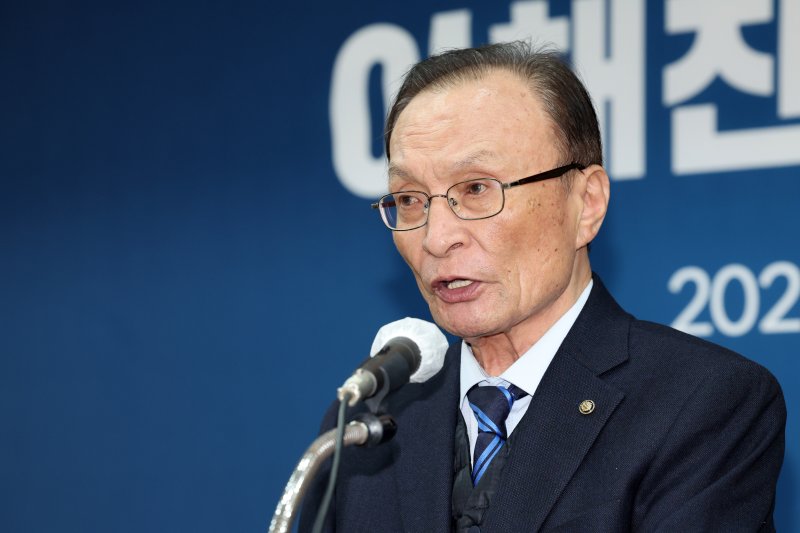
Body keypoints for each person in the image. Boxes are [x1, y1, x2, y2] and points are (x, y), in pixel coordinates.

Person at [300, 42, 786, 532]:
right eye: (409, 199)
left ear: (587, 203)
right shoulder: (367, 427)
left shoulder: (700, 402)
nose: (436, 237)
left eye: (476, 189)